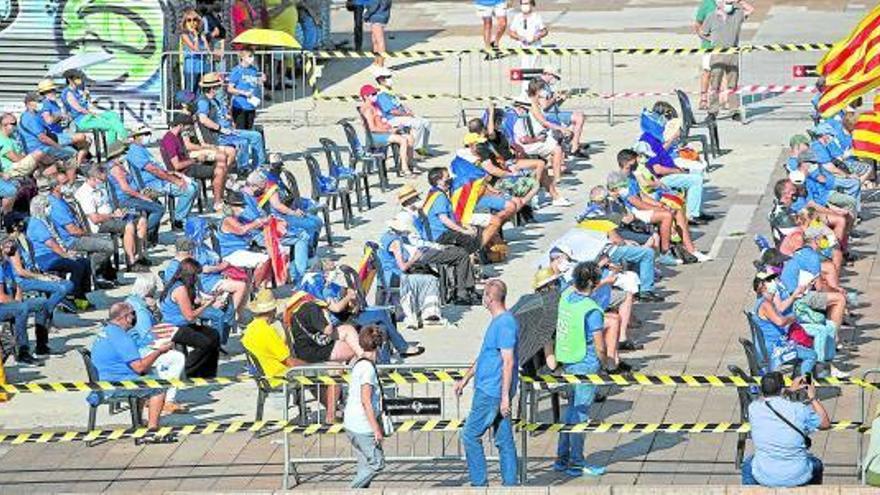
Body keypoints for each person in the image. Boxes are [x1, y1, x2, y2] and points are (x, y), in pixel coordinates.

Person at [454, 279, 519, 486]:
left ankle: (479, 484)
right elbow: (486, 356)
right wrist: (465, 379)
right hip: (493, 390)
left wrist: (504, 398)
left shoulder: (505, 323)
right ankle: (510, 485)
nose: (483, 298)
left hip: (492, 391)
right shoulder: (498, 322)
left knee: (470, 435)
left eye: (485, 294)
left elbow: (508, 362)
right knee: (504, 440)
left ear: (490, 298)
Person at [553, 262, 608, 477]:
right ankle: (576, 462)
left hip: (568, 359)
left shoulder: (566, 296)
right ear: (595, 283)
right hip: (586, 362)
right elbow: (600, 345)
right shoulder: (592, 310)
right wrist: (607, 363)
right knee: (581, 414)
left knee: (571, 412)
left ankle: (561, 459)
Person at [90, 302, 171, 430]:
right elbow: (139, 367)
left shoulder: (106, 331)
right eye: (133, 314)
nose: (134, 318)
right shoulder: (121, 337)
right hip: (114, 385)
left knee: (148, 375)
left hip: (104, 380)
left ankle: (138, 423)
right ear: (125, 317)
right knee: (160, 386)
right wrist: (159, 351)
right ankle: (152, 429)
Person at [741, 372, 830, 487]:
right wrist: (812, 397)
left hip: (765, 475)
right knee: (817, 464)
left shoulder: (753, 408)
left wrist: (787, 391)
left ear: (762, 390)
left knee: (748, 465)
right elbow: (825, 423)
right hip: (798, 475)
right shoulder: (799, 409)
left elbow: (765, 399)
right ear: (782, 389)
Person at [125, 273, 188, 414]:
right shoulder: (140, 310)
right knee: (177, 358)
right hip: (140, 351)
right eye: (154, 288)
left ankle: (160, 394)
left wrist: (154, 311)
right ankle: (168, 399)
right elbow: (147, 335)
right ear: (149, 290)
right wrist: (164, 343)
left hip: (135, 348)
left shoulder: (132, 301)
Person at [47, 173, 118, 288]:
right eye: (64, 183)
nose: (68, 185)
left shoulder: (63, 200)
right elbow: (72, 230)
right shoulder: (55, 205)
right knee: (107, 245)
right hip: (71, 240)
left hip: (78, 235)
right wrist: (88, 234)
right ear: (55, 187)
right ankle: (91, 274)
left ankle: (98, 275)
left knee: (105, 240)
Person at [74, 164, 149, 272]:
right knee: (129, 226)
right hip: (100, 224)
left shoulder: (100, 186)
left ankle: (139, 256)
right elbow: (95, 219)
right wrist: (112, 215)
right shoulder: (85, 194)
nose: (104, 182)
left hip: (112, 216)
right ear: (92, 178)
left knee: (141, 220)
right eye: (101, 179)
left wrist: (117, 210)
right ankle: (131, 262)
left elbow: (108, 204)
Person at [378, 212, 445, 330]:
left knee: (423, 275)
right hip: (395, 277)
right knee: (431, 279)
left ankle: (425, 311)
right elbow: (403, 267)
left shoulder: (385, 236)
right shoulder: (396, 242)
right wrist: (415, 258)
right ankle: (429, 312)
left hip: (386, 275)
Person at [25, 196, 92, 310]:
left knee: (84, 262)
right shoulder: (36, 223)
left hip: (54, 254)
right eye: (46, 206)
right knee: (76, 265)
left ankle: (81, 295)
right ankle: (71, 294)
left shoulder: (46, 220)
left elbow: (58, 241)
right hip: (44, 257)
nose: (49, 208)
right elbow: (51, 244)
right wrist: (66, 255)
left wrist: (67, 251)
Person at [159, 258, 222, 378]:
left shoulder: (180, 285)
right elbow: (190, 316)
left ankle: (207, 373)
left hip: (181, 324)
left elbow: (190, 304)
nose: (198, 278)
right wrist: (207, 305)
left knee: (214, 335)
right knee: (205, 343)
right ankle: (189, 369)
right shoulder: (180, 289)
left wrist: (205, 300)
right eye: (196, 275)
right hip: (174, 326)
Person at [344, 325, 387, 488]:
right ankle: (351, 490)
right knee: (377, 463)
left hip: (351, 423)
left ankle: (359, 489)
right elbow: (366, 401)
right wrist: (376, 428)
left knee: (364, 467)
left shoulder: (358, 363)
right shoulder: (368, 369)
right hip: (362, 425)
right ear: (380, 346)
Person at [196, 72, 267, 172]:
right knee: (243, 142)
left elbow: (221, 115)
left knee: (256, 136)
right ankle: (243, 169)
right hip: (219, 135)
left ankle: (259, 166)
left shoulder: (215, 100)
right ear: (212, 88)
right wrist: (221, 129)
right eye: (218, 87)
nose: (220, 88)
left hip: (228, 130)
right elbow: (203, 119)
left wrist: (228, 118)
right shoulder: (203, 101)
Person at [2, 235, 75, 323]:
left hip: (32, 276)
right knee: (62, 288)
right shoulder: (11, 244)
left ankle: (45, 313)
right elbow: (20, 271)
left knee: (68, 284)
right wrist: (41, 277)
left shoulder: (25, 240)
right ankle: (44, 317)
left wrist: (45, 275)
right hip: (21, 282)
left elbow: (32, 266)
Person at [0, 239, 51, 364]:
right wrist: (18, 303)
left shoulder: (6, 265)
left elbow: (17, 286)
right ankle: (22, 351)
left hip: (8, 303)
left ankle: (41, 346)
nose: (10, 251)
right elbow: (1, 297)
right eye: (6, 247)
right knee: (21, 309)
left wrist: (18, 296)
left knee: (42, 303)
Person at [241, 288, 304, 385]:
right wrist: (313, 367)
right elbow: (289, 361)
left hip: (266, 375)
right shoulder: (267, 331)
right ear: (273, 310)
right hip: (279, 376)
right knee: (328, 376)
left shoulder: (250, 328)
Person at [701, 0, 753, 116]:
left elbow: (750, 10)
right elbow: (703, 32)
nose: (729, 5)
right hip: (717, 54)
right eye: (726, 2)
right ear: (719, 4)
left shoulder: (737, 14)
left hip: (733, 54)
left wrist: (739, 1)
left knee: (732, 85)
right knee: (715, 84)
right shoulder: (711, 17)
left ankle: (734, 110)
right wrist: (713, 40)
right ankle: (713, 110)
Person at [105, 140, 166, 237]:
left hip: (128, 197)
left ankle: (149, 235)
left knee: (155, 202)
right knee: (159, 209)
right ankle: (142, 233)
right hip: (125, 200)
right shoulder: (115, 169)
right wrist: (142, 196)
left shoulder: (116, 165)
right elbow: (125, 188)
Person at [155, 115, 211, 216]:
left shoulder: (178, 137)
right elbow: (176, 165)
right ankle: (180, 216)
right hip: (181, 171)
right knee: (216, 171)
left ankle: (185, 214)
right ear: (181, 125)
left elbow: (184, 156)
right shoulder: (170, 140)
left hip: (187, 166)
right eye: (188, 127)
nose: (189, 130)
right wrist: (195, 160)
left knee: (217, 167)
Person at [374, 67, 432, 156]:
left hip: (402, 116)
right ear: (381, 80)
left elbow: (399, 104)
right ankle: (414, 150)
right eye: (388, 77)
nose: (390, 79)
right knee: (418, 124)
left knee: (426, 122)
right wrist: (406, 114)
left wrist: (408, 110)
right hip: (392, 119)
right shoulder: (382, 94)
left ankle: (422, 148)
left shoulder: (389, 91)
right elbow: (391, 111)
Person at [359, 84, 415, 175]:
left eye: (375, 93)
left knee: (410, 138)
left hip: (383, 132)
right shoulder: (368, 110)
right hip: (376, 136)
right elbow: (372, 128)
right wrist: (389, 131)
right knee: (403, 140)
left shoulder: (374, 106)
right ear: (365, 96)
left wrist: (392, 128)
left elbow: (381, 122)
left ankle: (410, 164)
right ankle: (404, 168)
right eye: (373, 94)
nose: (375, 96)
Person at [61, 69, 128, 144]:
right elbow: (79, 109)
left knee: (112, 114)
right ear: (70, 80)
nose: (79, 80)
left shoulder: (78, 90)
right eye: (77, 78)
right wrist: (94, 114)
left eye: (79, 77)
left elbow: (89, 104)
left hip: (88, 116)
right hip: (81, 120)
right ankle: (121, 140)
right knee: (111, 125)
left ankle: (123, 137)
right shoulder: (68, 93)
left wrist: (86, 96)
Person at [36, 79, 90, 163]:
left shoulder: (54, 103)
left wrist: (67, 117)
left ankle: (78, 164)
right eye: (49, 91)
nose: (52, 92)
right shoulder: (45, 104)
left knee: (87, 141)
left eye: (53, 90)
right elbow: (49, 120)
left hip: (61, 133)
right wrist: (60, 116)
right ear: (43, 94)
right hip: (54, 136)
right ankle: (76, 164)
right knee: (81, 137)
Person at [539, 68, 588, 158]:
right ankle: (574, 147)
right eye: (556, 78)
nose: (556, 81)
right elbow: (544, 106)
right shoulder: (541, 86)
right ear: (549, 75)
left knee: (580, 116)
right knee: (579, 117)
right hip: (549, 116)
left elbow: (552, 105)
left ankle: (574, 144)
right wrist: (554, 97)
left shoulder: (546, 86)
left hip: (554, 113)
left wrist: (561, 99)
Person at [19, 91, 77, 165]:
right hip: (38, 148)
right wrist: (58, 147)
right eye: (38, 101)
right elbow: (43, 138)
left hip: (42, 145)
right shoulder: (29, 118)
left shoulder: (35, 115)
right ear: (29, 103)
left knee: (73, 145)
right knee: (72, 153)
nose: (41, 103)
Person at [227, 49, 266, 131]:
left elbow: (254, 83)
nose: (252, 58)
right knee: (241, 130)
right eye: (250, 56)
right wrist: (243, 93)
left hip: (251, 105)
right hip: (240, 105)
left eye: (253, 56)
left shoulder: (254, 70)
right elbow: (230, 88)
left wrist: (261, 80)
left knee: (249, 129)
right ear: (243, 57)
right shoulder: (237, 70)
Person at [179, 7, 212, 94]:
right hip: (191, 67)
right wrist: (196, 37)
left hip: (202, 67)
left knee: (200, 92)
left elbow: (208, 51)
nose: (192, 22)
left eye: (195, 20)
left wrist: (204, 39)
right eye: (189, 20)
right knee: (189, 91)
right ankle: (185, 106)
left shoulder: (202, 35)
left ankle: (198, 107)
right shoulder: (184, 35)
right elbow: (195, 49)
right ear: (185, 22)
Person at [508, 0, 547, 69]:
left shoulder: (536, 17)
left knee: (534, 68)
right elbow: (511, 32)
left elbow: (544, 31)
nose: (524, 5)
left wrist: (537, 36)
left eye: (526, 3)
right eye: (523, 4)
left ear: (531, 4)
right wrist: (519, 37)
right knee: (524, 69)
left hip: (535, 46)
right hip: (521, 46)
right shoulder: (517, 17)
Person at [694, 0, 718, 110]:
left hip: (725, 46)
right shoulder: (707, 4)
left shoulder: (729, 3)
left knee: (723, 73)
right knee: (707, 72)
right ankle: (703, 99)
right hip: (708, 46)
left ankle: (723, 98)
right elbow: (697, 24)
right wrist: (704, 37)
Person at [363, 0, 392, 67]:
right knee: (375, 40)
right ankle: (376, 62)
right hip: (382, 15)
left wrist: (366, 15)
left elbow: (374, 4)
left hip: (376, 16)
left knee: (379, 41)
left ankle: (380, 64)